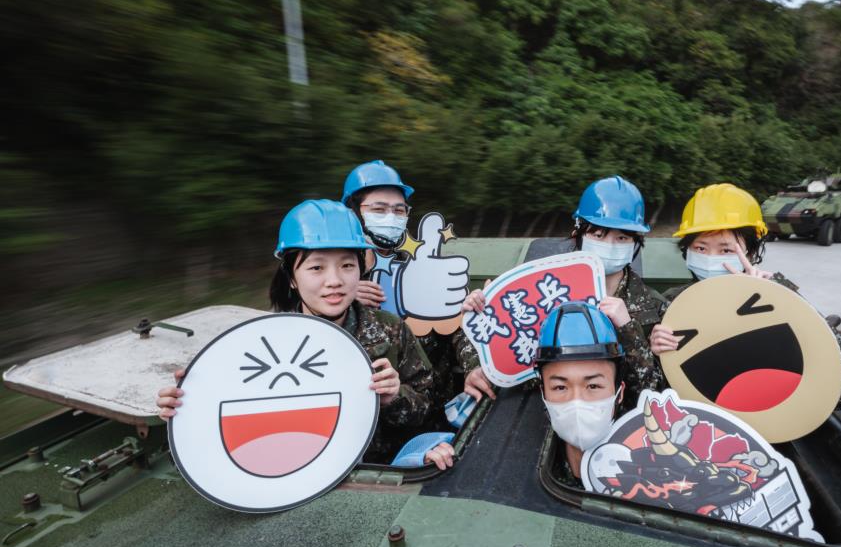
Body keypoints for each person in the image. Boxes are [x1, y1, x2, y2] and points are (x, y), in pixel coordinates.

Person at [156, 199, 455, 470]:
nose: (334, 281)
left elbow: (430, 409)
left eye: (347, 266)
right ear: (292, 280)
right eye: (316, 268)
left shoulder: (391, 330)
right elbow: (233, 434)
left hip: (375, 479)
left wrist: (394, 397)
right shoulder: (260, 346)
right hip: (292, 480)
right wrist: (187, 415)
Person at [649, 183, 841, 405]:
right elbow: (654, 393)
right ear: (686, 251)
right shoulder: (672, 305)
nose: (710, 257)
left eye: (726, 249)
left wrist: (781, 299)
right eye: (700, 248)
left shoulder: (777, 299)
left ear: (751, 251)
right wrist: (656, 354)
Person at [461, 176, 668, 408]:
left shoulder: (656, 309)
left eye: (622, 237)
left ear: (636, 244)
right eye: (598, 235)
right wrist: (482, 315)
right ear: (579, 234)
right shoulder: (544, 288)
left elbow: (653, 394)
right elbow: (486, 345)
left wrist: (628, 330)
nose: (610, 244)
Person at [341, 160, 472, 431]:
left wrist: (476, 366)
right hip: (357, 427)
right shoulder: (329, 281)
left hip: (432, 417)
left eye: (399, 210)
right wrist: (345, 296)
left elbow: (457, 325)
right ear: (352, 213)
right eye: (379, 209)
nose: (391, 217)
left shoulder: (424, 267)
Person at [534, 301, 625, 488]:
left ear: (619, 392)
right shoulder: (527, 468)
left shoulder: (651, 467)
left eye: (592, 386)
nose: (576, 402)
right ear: (543, 392)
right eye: (560, 387)